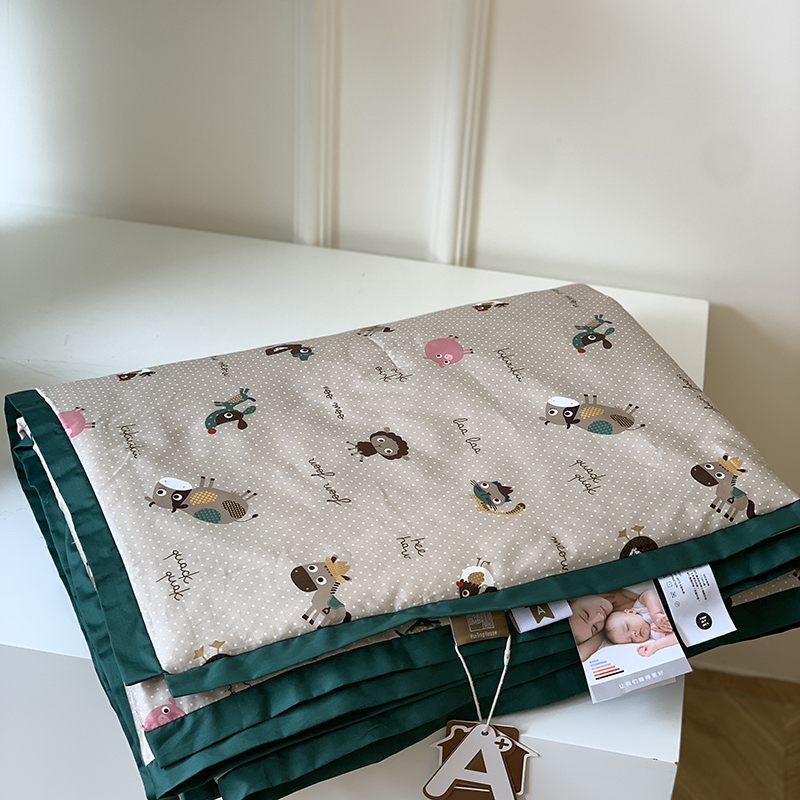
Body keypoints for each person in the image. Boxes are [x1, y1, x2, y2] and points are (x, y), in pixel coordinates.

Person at [604, 587, 678, 657]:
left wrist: (655, 614)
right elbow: (676, 637)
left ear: (630, 612)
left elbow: (649, 594)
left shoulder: (640, 608)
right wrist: (655, 645)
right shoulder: (654, 633)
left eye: (628, 627)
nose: (634, 634)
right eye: (631, 640)